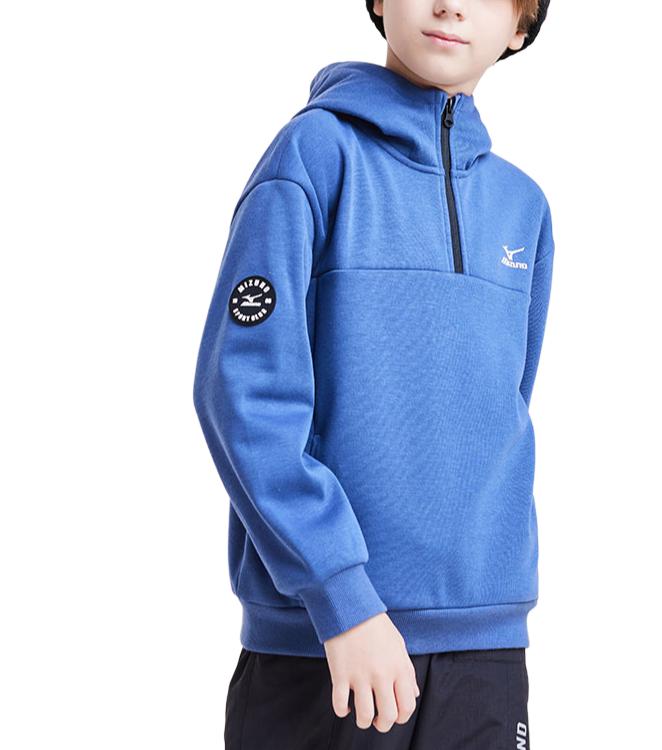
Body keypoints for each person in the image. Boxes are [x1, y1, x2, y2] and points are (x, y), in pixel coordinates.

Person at [192, 1, 554, 747]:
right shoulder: (315, 156)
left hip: (486, 645)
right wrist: (342, 596)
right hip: (326, 642)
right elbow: (246, 396)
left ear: (521, 25)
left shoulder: (523, 206)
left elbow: (503, 405)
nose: (451, 5)